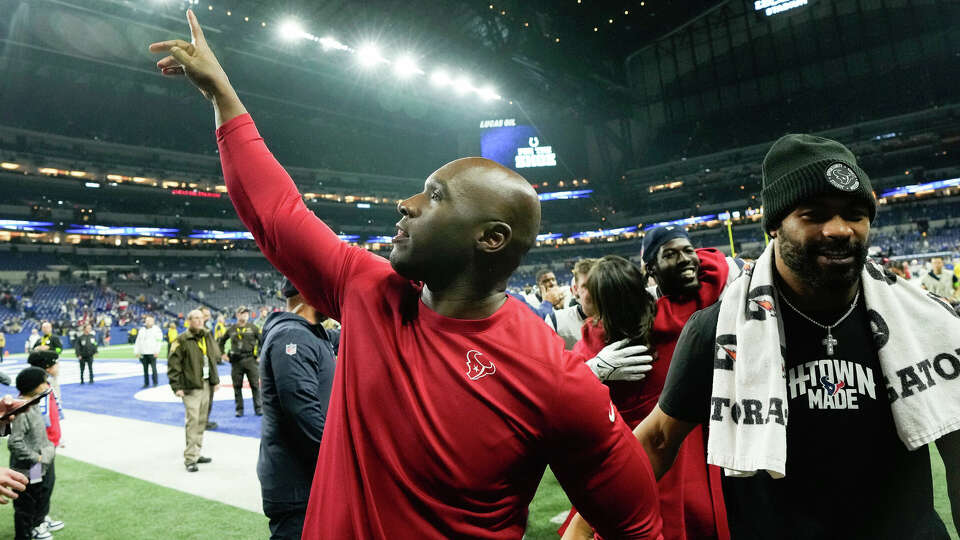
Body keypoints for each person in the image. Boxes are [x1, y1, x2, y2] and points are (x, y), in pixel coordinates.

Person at [151, 12, 663, 538]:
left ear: (490, 238)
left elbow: (638, 525)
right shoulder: (366, 288)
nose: (407, 203)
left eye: (435, 195)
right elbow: (276, 212)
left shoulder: (556, 380)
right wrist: (221, 94)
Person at [634, 134, 960, 538]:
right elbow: (659, 440)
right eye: (815, 214)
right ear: (775, 224)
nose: (840, 229)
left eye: (856, 213)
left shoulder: (925, 320)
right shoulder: (719, 331)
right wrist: (581, 527)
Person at [258, 280, 339, 539]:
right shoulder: (292, 335)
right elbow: (302, 413)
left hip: (305, 478)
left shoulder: (311, 332)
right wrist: (342, 460)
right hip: (297, 482)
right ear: (307, 289)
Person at [167, 309, 220, 472]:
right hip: (190, 386)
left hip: (205, 384)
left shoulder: (206, 335)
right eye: (195, 318)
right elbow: (173, 364)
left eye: (201, 318)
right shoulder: (181, 339)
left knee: (202, 420)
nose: (199, 321)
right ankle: (190, 458)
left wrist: (215, 380)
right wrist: (176, 386)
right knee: (193, 421)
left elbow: (212, 359)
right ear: (189, 321)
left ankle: (197, 452)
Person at [8, 368, 56, 540]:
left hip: (36, 467)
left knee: (38, 494)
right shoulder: (22, 409)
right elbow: (14, 442)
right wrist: (38, 458)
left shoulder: (34, 403)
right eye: (43, 382)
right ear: (33, 386)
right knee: (25, 504)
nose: (46, 384)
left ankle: (36, 526)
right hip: (27, 467)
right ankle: (24, 535)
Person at [25, 353, 65, 535]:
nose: (58, 367)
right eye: (56, 363)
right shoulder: (38, 389)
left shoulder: (47, 386)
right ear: (47, 367)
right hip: (39, 449)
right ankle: (35, 523)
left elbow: (55, 415)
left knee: (47, 482)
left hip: (48, 445)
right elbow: (39, 421)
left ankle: (42, 515)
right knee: (37, 483)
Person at [218, 306, 262, 417]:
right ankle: (239, 409)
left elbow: (262, 340)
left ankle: (258, 408)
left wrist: (260, 355)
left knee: (255, 386)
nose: (245, 315)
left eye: (246, 313)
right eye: (242, 313)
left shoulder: (253, 328)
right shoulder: (232, 329)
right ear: (237, 315)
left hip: (250, 360)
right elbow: (221, 341)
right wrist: (222, 354)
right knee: (237, 387)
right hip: (236, 362)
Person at [545, 258, 597, 350]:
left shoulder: (620, 318)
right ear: (575, 289)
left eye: (597, 284)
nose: (594, 291)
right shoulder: (556, 321)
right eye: (587, 286)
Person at [134, 316, 164, 387]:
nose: (148, 322)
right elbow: (138, 341)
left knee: (154, 369)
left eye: (150, 320)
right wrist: (137, 351)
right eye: (147, 321)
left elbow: (159, 341)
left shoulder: (157, 330)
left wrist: (157, 351)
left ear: (153, 321)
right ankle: (146, 383)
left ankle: (155, 382)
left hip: (152, 352)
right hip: (143, 352)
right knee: (145, 369)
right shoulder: (142, 330)